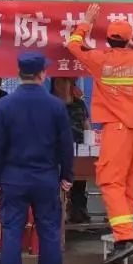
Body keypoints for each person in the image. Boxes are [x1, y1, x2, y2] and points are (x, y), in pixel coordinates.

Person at [66, 3, 133, 264]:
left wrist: (86, 21)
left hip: (116, 130)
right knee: (129, 183)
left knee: (110, 182)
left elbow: (73, 45)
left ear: (108, 38)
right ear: (128, 39)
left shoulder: (100, 60)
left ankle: (125, 237)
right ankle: (126, 235)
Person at [0, 52, 73, 264]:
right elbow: (65, 146)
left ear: (19, 73)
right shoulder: (56, 105)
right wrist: (67, 175)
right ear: (42, 74)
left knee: (12, 231)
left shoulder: (4, 105)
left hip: (13, 177)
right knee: (49, 230)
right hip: (46, 177)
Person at [51, 76, 90, 223]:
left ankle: (79, 211)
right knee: (59, 184)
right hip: (57, 153)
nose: (70, 85)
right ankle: (60, 213)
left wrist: (90, 143)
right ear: (57, 83)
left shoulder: (79, 104)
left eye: (72, 82)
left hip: (80, 151)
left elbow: (86, 124)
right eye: (66, 81)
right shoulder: (51, 104)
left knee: (79, 183)